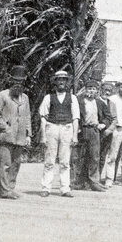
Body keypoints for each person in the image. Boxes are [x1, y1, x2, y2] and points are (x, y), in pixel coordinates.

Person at [0, 65, 32, 200]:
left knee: (16, 163)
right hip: (6, 136)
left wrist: (28, 134)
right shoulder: (3, 95)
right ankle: (4, 190)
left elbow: (28, 116)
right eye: (15, 81)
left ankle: (11, 188)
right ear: (11, 81)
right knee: (6, 164)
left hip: (20, 136)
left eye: (20, 81)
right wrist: (5, 127)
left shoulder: (25, 98)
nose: (18, 83)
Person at [38, 69, 80, 198]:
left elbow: (75, 118)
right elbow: (43, 117)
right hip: (52, 128)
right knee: (49, 160)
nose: (61, 82)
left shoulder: (72, 98)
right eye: (59, 80)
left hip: (67, 128)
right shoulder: (48, 97)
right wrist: (43, 136)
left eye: (64, 80)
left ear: (67, 82)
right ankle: (46, 188)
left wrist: (75, 135)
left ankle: (65, 189)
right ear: (55, 82)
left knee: (65, 161)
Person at [74, 78, 109, 192]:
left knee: (94, 157)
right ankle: (79, 182)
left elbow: (108, 117)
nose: (91, 91)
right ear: (85, 90)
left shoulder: (100, 103)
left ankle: (94, 182)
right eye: (89, 88)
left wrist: (103, 124)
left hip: (94, 131)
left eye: (93, 89)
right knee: (81, 156)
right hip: (82, 130)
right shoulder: (79, 101)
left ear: (97, 91)